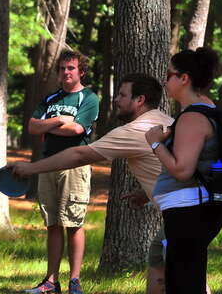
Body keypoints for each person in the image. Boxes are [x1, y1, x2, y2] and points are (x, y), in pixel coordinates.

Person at [12, 73, 173, 294]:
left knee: (186, 275)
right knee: (160, 262)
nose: (116, 100)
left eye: (122, 95)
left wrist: (31, 168)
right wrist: (147, 193)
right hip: (193, 209)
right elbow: (170, 164)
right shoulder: (165, 121)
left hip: (187, 213)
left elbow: (80, 155)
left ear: (140, 100)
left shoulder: (135, 130)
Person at [145, 47, 222, 294]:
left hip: (189, 211)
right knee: (187, 280)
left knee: (184, 284)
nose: (165, 81)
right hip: (196, 209)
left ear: (184, 78)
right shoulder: (208, 108)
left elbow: (182, 170)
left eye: (169, 75)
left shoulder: (193, 118)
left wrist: (155, 143)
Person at [24, 50, 99, 294]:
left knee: (73, 222)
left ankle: (74, 282)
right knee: (53, 223)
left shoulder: (89, 98)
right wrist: (59, 121)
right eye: (62, 68)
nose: (66, 72)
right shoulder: (51, 99)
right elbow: (33, 126)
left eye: (71, 68)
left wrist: (50, 126)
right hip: (49, 164)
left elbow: (77, 130)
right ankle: (50, 281)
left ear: (81, 72)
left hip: (75, 166)